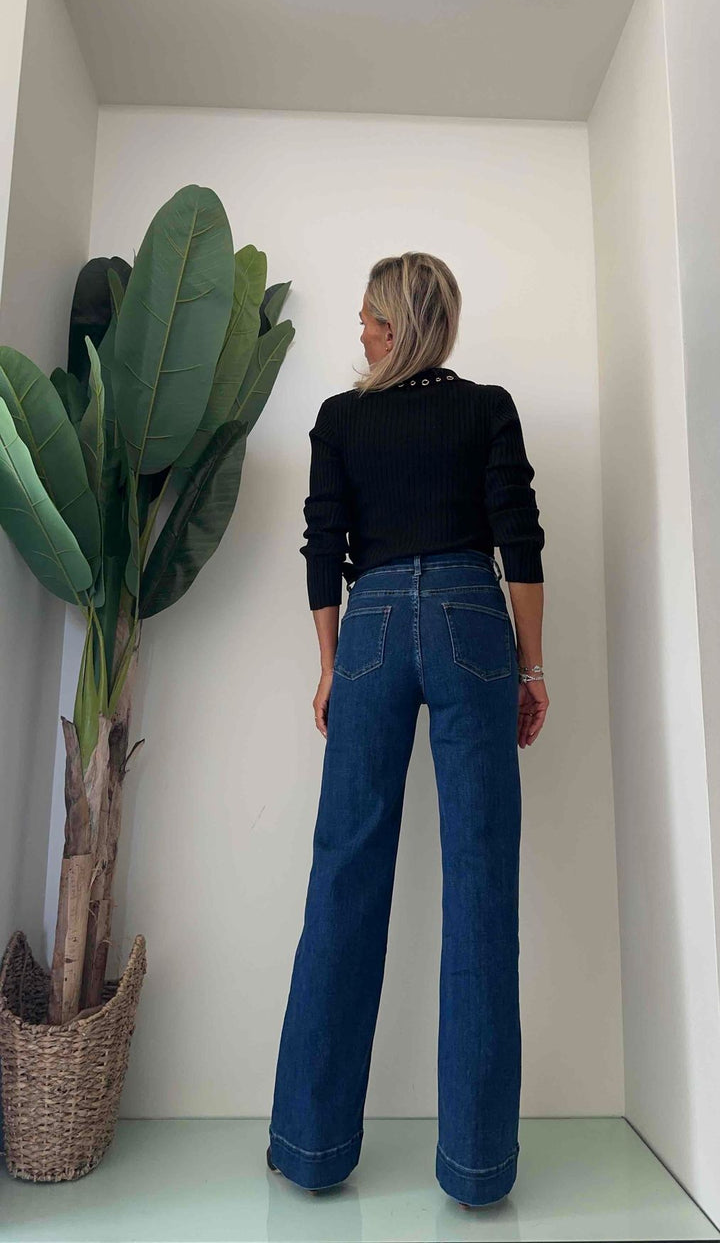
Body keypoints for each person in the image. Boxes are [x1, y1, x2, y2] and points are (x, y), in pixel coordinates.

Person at [267, 251, 548, 1209]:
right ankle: (477, 1169)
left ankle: (310, 1148)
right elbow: (520, 543)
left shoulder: (342, 420)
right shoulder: (487, 409)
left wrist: (329, 664)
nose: (358, 327)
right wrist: (532, 668)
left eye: (369, 315)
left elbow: (324, 545)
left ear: (399, 325)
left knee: (344, 871)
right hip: (473, 617)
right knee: (481, 881)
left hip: (374, 624)